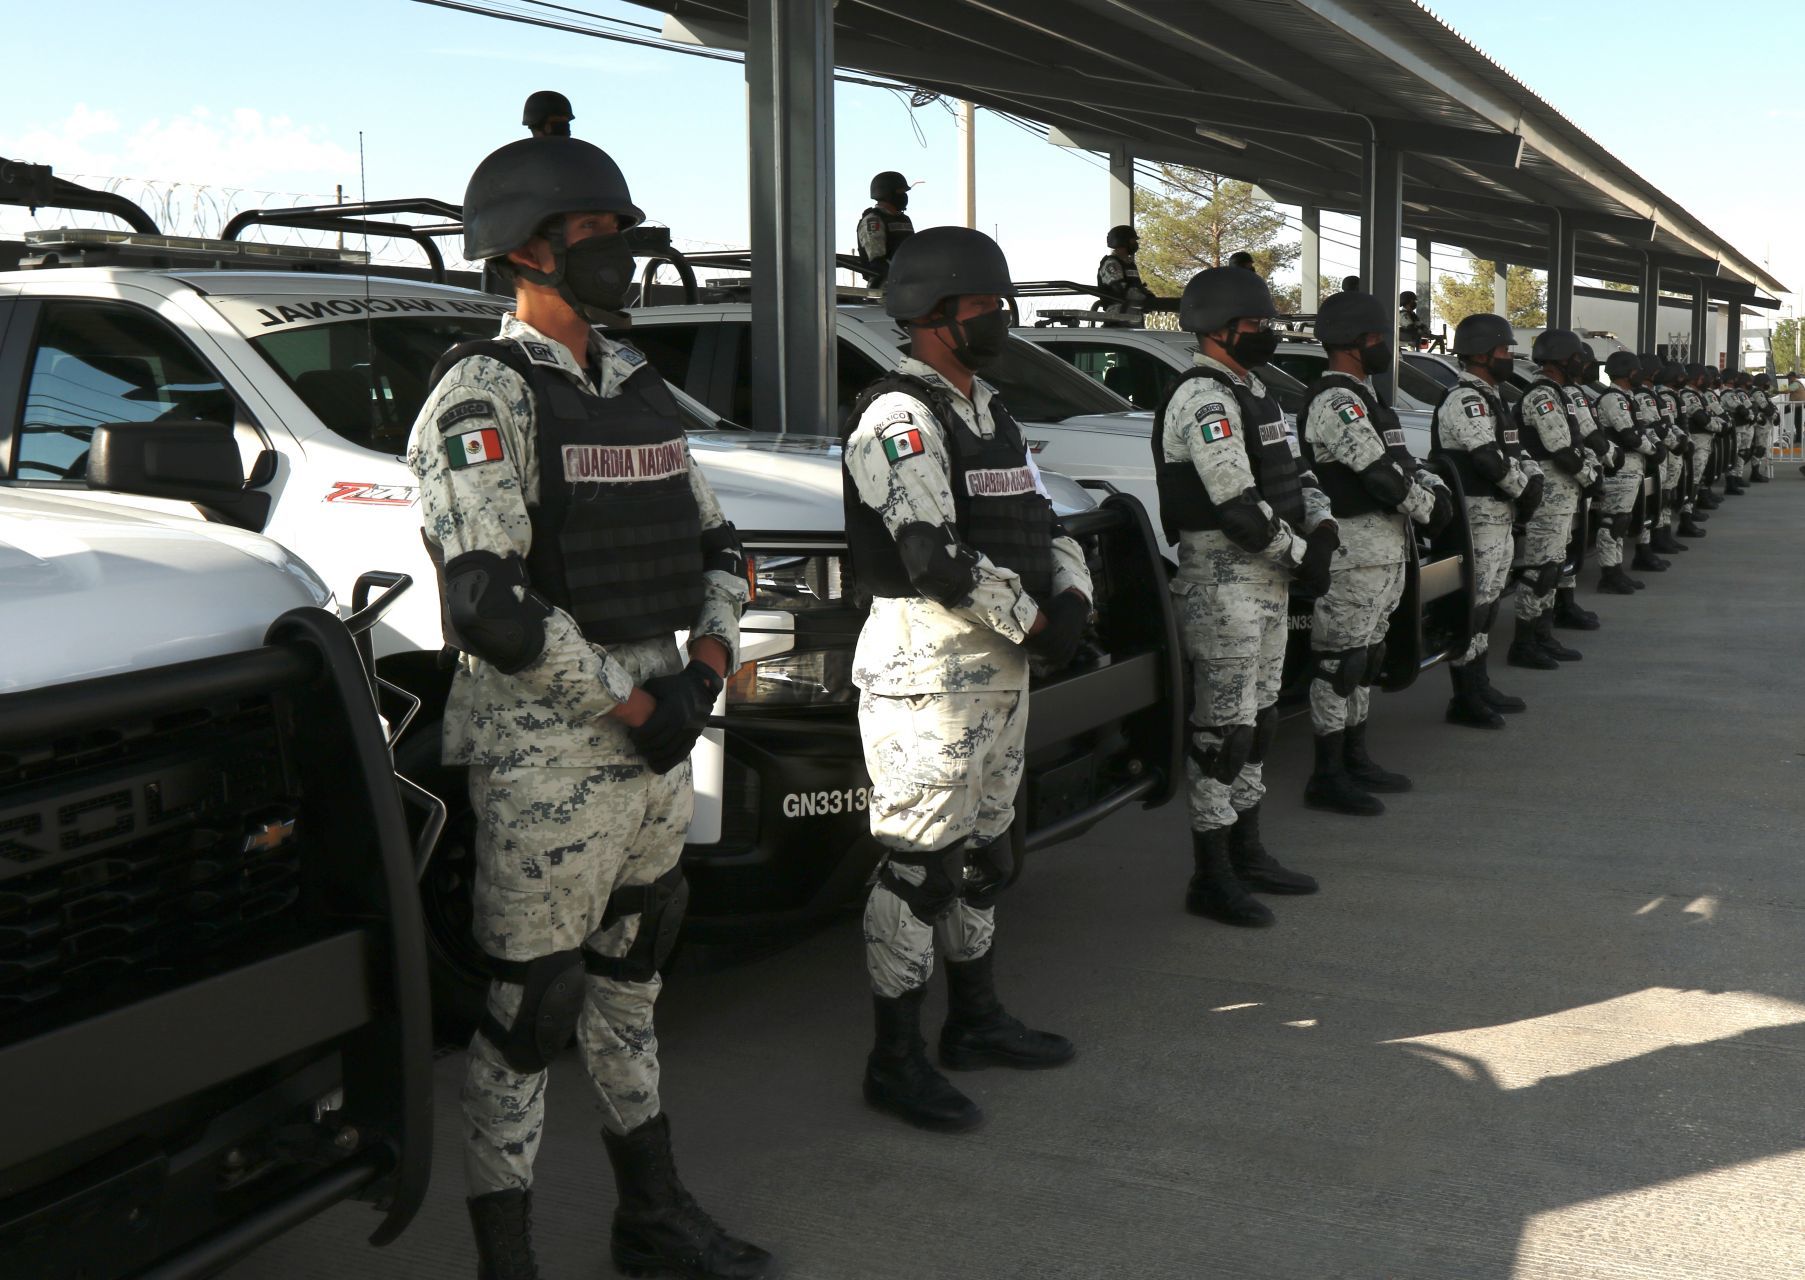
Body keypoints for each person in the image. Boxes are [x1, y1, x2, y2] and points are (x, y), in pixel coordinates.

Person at [407, 136, 770, 1280]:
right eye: (599, 236)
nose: (623, 253)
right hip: (549, 751)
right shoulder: (484, 393)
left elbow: (718, 540)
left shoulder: (632, 385)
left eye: (623, 232)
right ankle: (505, 1260)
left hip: (659, 723)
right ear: (526, 249)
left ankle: (652, 1215)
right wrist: (628, 702)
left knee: (633, 971)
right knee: (530, 1007)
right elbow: (494, 607)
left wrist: (702, 671)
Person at [842, 226, 1090, 1133]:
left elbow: (1042, 515)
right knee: (920, 866)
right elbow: (935, 557)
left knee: (983, 855)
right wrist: (1034, 619)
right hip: (931, 670)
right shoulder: (898, 420)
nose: (1002, 320)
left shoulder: (993, 412)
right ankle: (894, 1057)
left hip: (1002, 665)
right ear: (936, 316)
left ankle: (975, 1018)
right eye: (986, 307)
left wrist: (1072, 596)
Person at [1154, 266, 1336, 925]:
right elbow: (1236, 506)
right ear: (1219, 328)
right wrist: (1302, 555)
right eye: (1256, 324)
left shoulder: (1255, 392)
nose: (1267, 333)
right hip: (1223, 583)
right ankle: (1211, 874)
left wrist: (1322, 528)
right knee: (1222, 734)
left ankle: (1248, 849)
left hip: (1266, 580)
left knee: (1258, 724)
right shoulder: (1203, 400)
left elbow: (1297, 473)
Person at [1297, 291, 1452, 814]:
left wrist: (1434, 488)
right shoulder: (1335, 401)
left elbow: (1404, 461)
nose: (1387, 346)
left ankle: (1355, 756)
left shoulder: (1368, 399)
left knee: (1366, 661)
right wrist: (1430, 508)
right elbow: (1379, 475)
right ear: (1355, 343)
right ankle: (1328, 772)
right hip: (1352, 550)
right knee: (1339, 662)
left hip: (1385, 549)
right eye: (1378, 338)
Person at [1431, 313, 1539, 728]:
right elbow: (1487, 458)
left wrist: (1533, 480)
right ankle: (1464, 697)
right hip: (1478, 518)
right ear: (1479, 354)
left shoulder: (1494, 397)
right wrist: (1522, 488)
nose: (1508, 357)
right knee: (1473, 608)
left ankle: (1479, 683)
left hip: (1498, 517)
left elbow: (1513, 451)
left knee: (1489, 606)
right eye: (1503, 350)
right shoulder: (1466, 399)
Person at [1508, 329, 1601, 669]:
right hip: (1548, 496)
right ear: (1562, 359)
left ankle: (1542, 634)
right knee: (1540, 570)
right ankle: (1524, 641)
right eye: (1578, 357)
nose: (1583, 363)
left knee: (1552, 566)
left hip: (1562, 496)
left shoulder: (1559, 394)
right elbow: (1561, 449)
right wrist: (1590, 478)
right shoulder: (1542, 396)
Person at [1592, 352, 1663, 593]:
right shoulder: (1614, 399)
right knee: (1614, 521)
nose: (1640, 374)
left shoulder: (1628, 398)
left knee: (1623, 520)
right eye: (1637, 370)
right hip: (1619, 469)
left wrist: (1654, 446)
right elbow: (1629, 434)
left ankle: (1616, 569)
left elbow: (1641, 428)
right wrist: (1653, 451)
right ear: (1628, 372)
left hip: (1632, 469)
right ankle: (1609, 574)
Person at [856, 171, 915, 292]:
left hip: (908, 283)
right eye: (900, 192)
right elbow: (877, 261)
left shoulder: (904, 219)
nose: (904, 196)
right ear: (887, 194)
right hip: (886, 288)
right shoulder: (873, 220)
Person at [1098, 224, 1155, 313]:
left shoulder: (1129, 264)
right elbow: (1120, 290)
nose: (1135, 244)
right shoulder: (1111, 263)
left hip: (1132, 312)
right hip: (1117, 315)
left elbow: (1136, 286)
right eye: (1132, 241)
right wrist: (1147, 299)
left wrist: (1148, 296)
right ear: (1122, 242)